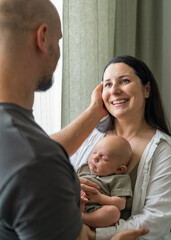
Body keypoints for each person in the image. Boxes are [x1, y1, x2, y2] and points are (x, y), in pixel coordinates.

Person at [0, 0, 151, 239]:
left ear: (146, 90)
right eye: (59, 40)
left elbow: (42, 151)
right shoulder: (37, 162)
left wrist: (94, 112)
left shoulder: (21, 146)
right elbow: (39, 158)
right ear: (43, 37)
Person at [71, 55, 171, 240]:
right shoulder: (91, 135)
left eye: (124, 81)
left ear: (147, 89)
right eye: (107, 84)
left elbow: (157, 219)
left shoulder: (163, 150)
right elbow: (53, 175)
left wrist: (94, 235)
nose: (115, 90)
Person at [78, 135, 132, 228]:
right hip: (73, 202)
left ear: (119, 169)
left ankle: (82, 218)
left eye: (103, 158)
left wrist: (100, 198)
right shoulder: (84, 168)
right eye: (94, 152)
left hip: (95, 210)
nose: (95, 158)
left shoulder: (119, 179)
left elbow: (121, 204)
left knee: (113, 213)